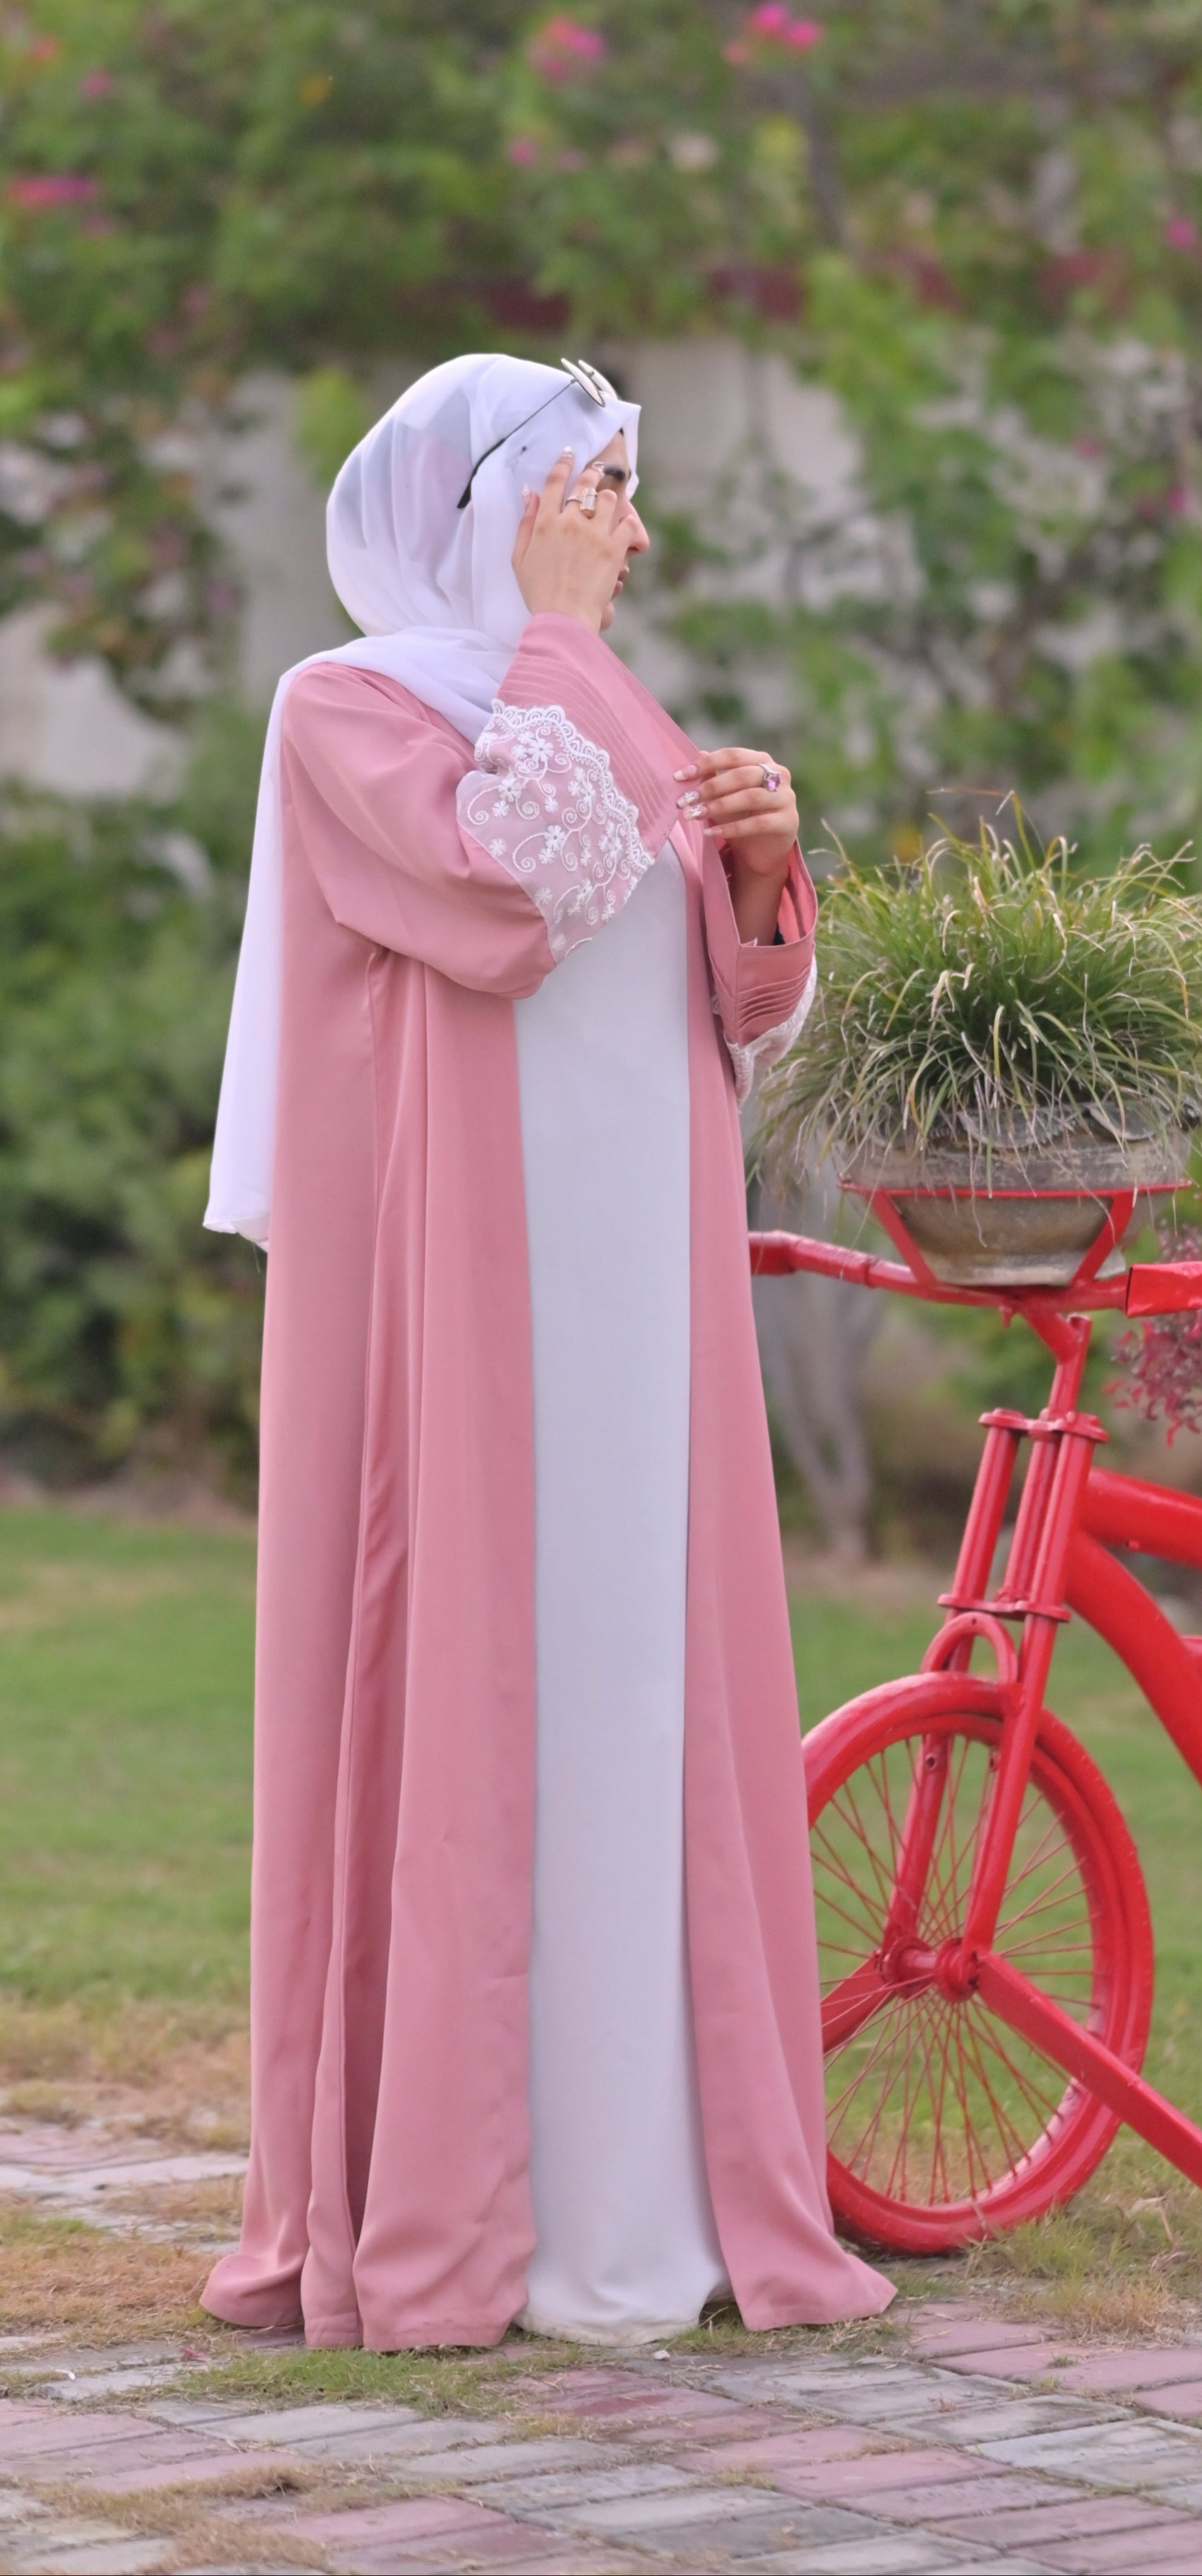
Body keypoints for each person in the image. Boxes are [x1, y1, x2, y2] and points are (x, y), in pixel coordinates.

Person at [201, 352, 894, 2349]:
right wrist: (572, 652)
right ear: (496, 500)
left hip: (637, 1283)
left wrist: (762, 873)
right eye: (599, 488)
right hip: (469, 1290)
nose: (633, 530)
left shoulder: (574, 691)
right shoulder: (350, 709)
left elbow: (707, 989)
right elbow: (520, 890)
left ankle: (661, 2187)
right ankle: (480, 2206)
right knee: (494, 1657)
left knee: (636, 1665)